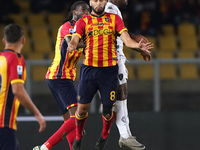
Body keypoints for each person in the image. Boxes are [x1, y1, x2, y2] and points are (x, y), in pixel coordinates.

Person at [67, 0, 153, 149]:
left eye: (101, 0)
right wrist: (72, 45)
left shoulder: (114, 18)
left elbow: (125, 39)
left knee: (108, 111)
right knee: (81, 110)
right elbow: (74, 38)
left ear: (105, 1)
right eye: (95, 0)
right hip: (90, 70)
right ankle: (79, 137)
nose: (98, 3)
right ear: (91, 2)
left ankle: (106, 136)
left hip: (109, 70)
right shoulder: (84, 21)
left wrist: (137, 46)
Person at [32, 1, 90, 150]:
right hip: (60, 76)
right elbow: (71, 43)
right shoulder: (68, 27)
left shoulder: (83, 32)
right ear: (74, 13)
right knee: (78, 116)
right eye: (83, 10)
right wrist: (93, 42)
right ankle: (44, 147)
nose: (87, 13)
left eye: (88, 11)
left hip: (61, 77)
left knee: (69, 122)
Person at [105, 0, 147, 149]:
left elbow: (118, 32)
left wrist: (134, 37)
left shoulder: (111, 8)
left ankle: (124, 134)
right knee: (119, 96)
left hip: (112, 58)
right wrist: (138, 47)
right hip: (113, 58)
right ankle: (124, 134)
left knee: (119, 96)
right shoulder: (111, 9)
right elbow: (110, 35)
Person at [0, 24, 46, 150]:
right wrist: (37, 114)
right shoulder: (15, 58)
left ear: (4, 41)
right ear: (23, 40)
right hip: (3, 121)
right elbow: (18, 90)